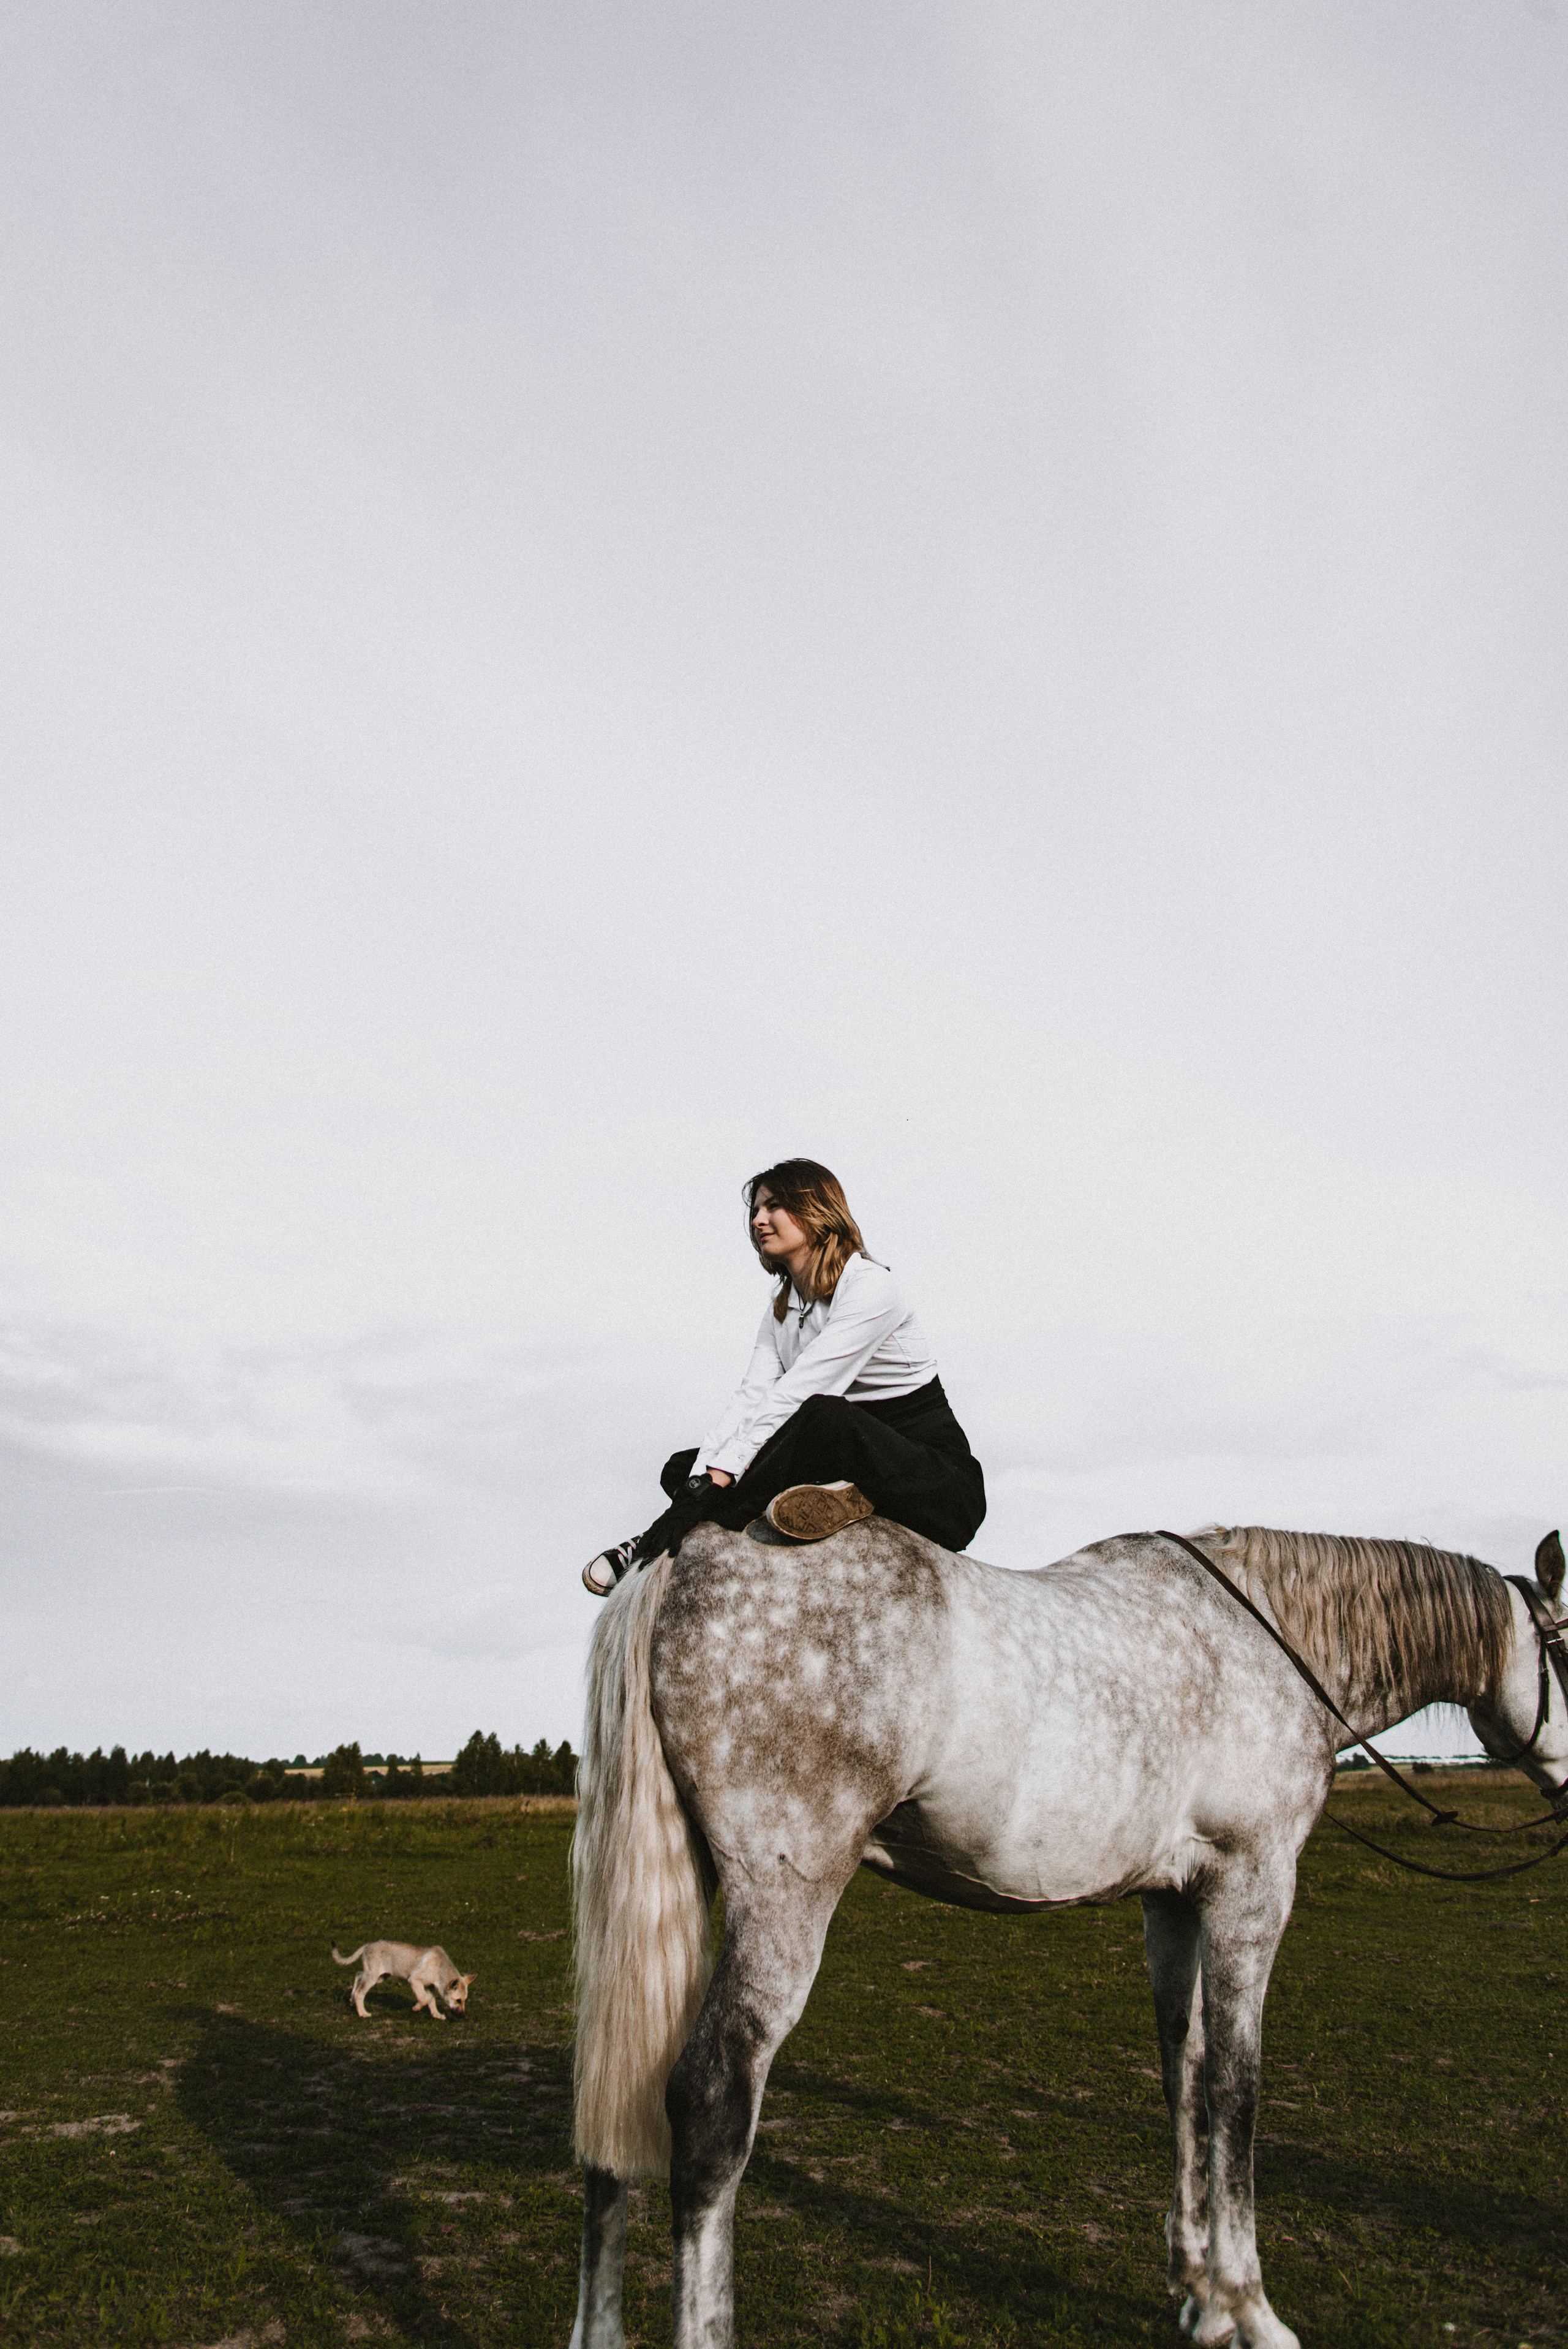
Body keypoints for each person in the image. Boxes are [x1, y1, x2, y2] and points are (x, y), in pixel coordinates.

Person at [582, 1157, 986, 1595]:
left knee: (821, 1417)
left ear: (816, 1209)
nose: (758, 1220)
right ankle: (846, 1498)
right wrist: (694, 1488)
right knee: (681, 1467)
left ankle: (649, 1546)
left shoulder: (872, 1288)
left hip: (936, 1485)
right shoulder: (782, 1306)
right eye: (755, 1210)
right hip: (842, 1453)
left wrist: (710, 1490)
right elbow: (750, 1399)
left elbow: (799, 1392)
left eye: (773, 1206)